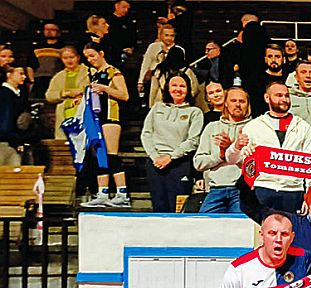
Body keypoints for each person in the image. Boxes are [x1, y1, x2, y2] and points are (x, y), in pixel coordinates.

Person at [225, 81, 311, 213]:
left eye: (286, 95)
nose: (284, 99)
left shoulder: (303, 126)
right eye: (278, 95)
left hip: (293, 190)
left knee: (290, 226)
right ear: (267, 98)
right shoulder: (254, 126)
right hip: (262, 189)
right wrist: (237, 146)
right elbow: (231, 159)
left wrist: (310, 194)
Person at [141, 72, 203, 213]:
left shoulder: (195, 112)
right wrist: (155, 157)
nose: (178, 89)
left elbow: (193, 140)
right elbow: (146, 133)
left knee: (178, 208)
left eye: (182, 86)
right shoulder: (157, 108)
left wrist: (171, 157)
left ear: (188, 89)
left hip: (180, 164)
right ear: (168, 88)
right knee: (159, 207)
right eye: (174, 85)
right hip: (155, 163)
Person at [80, 42, 130, 208]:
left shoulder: (113, 72)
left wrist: (105, 88)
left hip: (110, 117)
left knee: (111, 155)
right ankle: (102, 193)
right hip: (96, 119)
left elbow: (124, 95)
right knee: (99, 156)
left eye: (92, 55)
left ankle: (122, 193)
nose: (90, 59)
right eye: (87, 57)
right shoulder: (93, 74)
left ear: (101, 53)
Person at [196, 87, 251, 214]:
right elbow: (198, 163)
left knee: (240, 223)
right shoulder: (212, 127)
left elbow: (256, 165)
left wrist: (232, 150)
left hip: (242, 189)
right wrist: (220, 155)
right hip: (215, 189)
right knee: (202, 222)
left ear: (247, 104)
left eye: (242, 101)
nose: (237, 104)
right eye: (233, 101)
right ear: (226, 103)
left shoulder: (255, 128)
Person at [46, 47, 89, 140]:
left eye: (71, 57)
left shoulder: (88, 72)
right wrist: (63, 93)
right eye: (65, 58)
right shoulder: (58, 76)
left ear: (78, 57)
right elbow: (49, 96)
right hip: (64, 114)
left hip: (83, 112)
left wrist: (81, 91)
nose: (69, 60)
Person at [138, 23, 182, 100]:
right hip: (153, 80)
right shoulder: (153, 47)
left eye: (172, 35)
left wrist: (167, 52)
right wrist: (140, 81)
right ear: (161, 35)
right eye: (166, 35)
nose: (169, 38)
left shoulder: (179, 50)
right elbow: (146, 63)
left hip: (170, 81)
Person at [28, 21, 64, 98]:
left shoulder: (63, 47)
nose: (49, 31)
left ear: (58, 32)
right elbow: (30, 65)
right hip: (39, 79)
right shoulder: (37, 47)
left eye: (52, 29)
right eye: (47, 29)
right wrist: (32, 81)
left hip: (56, 78)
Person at [105, 0, 137, 68]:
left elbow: (133, 37)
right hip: (111, 53)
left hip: (127, 56)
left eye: (128, 8)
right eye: (124, 7)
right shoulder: (107, 20)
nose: (126, 10)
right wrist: (120, 49)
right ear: (116, 6)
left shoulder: (129, 22)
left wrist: (132, 48)